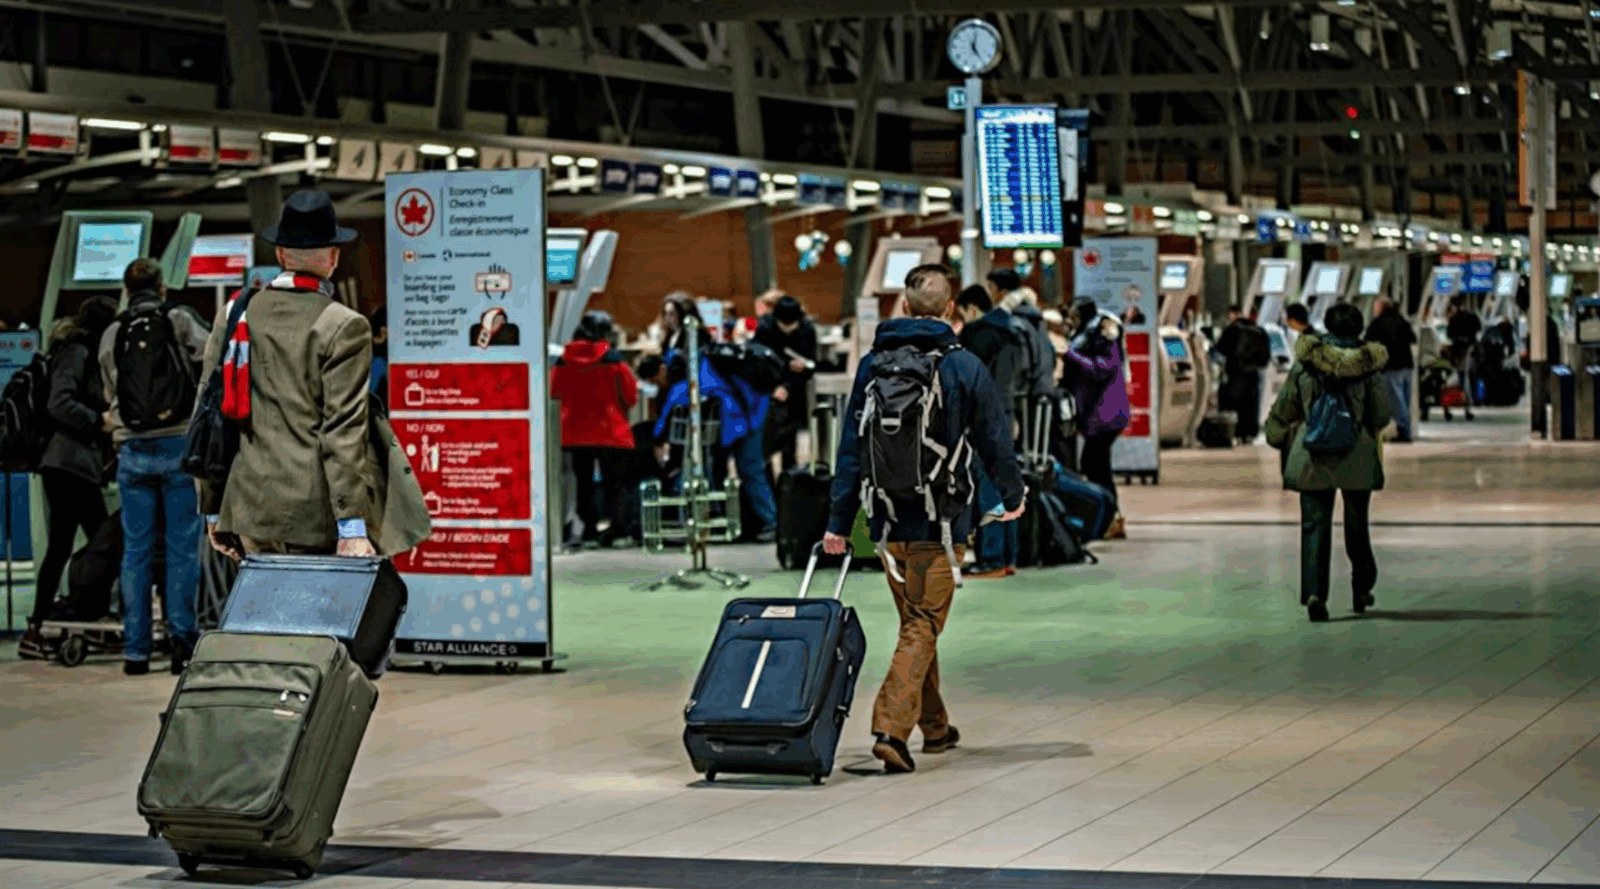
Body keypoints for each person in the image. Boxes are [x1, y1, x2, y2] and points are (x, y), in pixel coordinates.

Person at [823, 263, 1024, 775]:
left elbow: (850, 449)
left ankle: (935, 727)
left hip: (886, 523)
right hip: (942, 521)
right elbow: (994, 440)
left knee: (917, 620)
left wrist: (838, 523)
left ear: (905, 307)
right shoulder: (964, 366)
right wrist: (1013, 494)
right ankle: (890, 729)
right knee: (922, 623)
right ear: (951, 310)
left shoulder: (872, 366)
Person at [198, 190, 431, 572]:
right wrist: (351, 527)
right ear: (334, 258)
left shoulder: (234, 314)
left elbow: (209, 414)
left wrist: (212, 509)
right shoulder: (344, 325)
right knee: (315, 626)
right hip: (313, 515)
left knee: (265, 623)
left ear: (280, 255)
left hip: (248, 507)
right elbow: (342, 429)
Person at [98, 259, 209, 675]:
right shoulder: (177, 319)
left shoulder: (114, 332)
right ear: (161, 288)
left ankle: (136, 651)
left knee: (136, 552)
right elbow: (210, 354)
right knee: (182, 549)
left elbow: (111, 388)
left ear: (127, 291)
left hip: (132, 452)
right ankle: (182, 643)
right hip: (179, 443)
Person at [1264, 303, 1390, 624]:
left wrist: (1276, 432)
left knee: (1314, 526)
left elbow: (1287, 406)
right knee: (1357, 525)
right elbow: (1380, 415)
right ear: (1359, 328)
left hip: (1314, 452)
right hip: (1357, 455)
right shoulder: (1369, 366)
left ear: (1329, 327)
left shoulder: (1307, 363)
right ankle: (1362, 588)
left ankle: (1316, 594)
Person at [17, 296, 118, 660]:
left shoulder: (75, 349)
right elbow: (59, 403)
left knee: (86, 542)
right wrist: (98, 421)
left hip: (73, 464)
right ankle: (62, 620)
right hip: (68, 464)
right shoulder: (77, 350)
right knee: (99, 541)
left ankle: (52, 622)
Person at [653, 293, 778, 542]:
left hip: (743, 417)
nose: (668, 318)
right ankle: (729, 520)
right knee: (719, 468)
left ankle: (770, 522)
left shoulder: (695, 368)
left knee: (748, 468)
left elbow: (677, 404)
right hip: (733, 418)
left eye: (672, 313)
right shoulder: (694, 358)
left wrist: (659, 435)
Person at [550, 311, 639, 548]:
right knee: (615, 483)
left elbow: (554, 391)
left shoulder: (563, 359)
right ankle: (618, 531)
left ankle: (588, 530)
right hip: (611, 429)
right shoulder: (614, 359)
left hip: (575, 431)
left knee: (583, 483)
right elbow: (630, 395)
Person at [953, 285, 1024, 577]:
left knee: (985, 488)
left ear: (971, 309)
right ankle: (1007, 557)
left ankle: (991, 557)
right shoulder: (1011, 333)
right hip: (1007, 415)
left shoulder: (973, 337)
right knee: (1006, 485)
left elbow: (963, 382)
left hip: (981, 420)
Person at [1061, 298, 1131, 540]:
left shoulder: (1102, 337)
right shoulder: (1085, 336)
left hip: (1106, 414)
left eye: (1074, 315)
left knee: (1096, 467)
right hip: (1097, 413)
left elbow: (1103, 369)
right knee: (1095, 466)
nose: (1071, 320)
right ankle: (1109, 518)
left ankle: (1111, 518)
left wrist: (1072, 356)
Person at [753, 295, 817, 470]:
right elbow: (757, 363)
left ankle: (788, 483)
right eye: (784, 324)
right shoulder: (766, 329)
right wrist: (776, 385)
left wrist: (791, 383)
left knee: (790, 443)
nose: (787, 328)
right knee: (765, 445)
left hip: (794, 391)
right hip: (769, 390)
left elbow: (811, 364)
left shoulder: (807, 330)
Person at [1212, 305, 1271, 444]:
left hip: (1235, 373)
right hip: (1254, 373)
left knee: (1232, 402)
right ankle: (1249, 433)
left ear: (1234, 314)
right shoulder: (1260, 330)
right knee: (1251, 404)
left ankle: (1234, 432)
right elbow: (1266, 356)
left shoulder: (1232, 329)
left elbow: (1221, 349)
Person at [1365, 298, 1417, 443]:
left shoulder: (1378, 323)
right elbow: (1413, 338)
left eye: (1376, 306)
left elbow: (1369, 342)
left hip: (1391, 366)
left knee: (1396, 400)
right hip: (1407, 365)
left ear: (1381, 308)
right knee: (1405, 399)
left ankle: (1404, 432)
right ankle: (1406, 430)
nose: (1374, 309)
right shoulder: (1401, 320)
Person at [1445, 297, 1481, 421]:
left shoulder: (1454, 319)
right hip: (1468, 352)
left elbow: (1449, 335)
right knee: (1466, 380)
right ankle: (1468, 406)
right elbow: (1477, 331)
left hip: (1459, 353)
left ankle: (1459, 405)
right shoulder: (1472, 317)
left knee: (1459, 380)